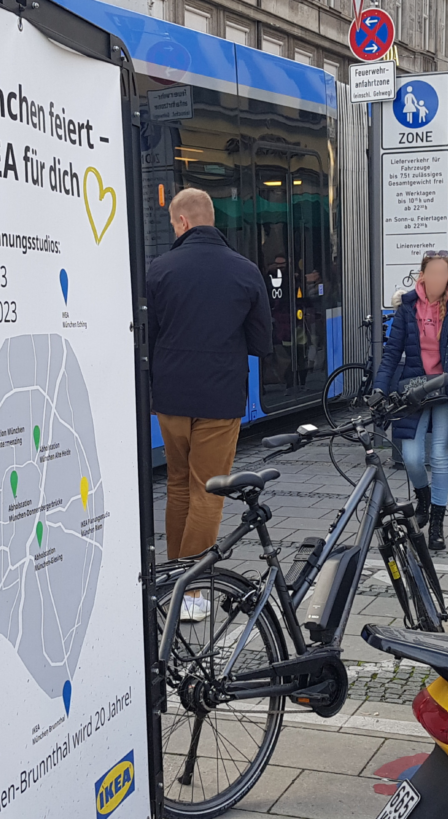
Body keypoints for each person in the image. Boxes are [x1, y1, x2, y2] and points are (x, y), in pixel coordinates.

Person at [147, 188, 272, 619]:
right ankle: (194, 592)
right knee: (208, 492)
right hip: (219, 399)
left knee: (179, 484)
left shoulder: (159, 270)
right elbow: (261, 342)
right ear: (210, 219)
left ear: (182, 222)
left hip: (170, 399)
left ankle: (171, 577)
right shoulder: (245, 270)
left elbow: (151, 337)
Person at [375, 251, 448, 551]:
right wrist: (379, 388)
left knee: (441, 456)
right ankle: (424, 497)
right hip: (414, 388)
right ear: (423, 276)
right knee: (412, 456)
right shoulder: (407, 307)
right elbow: (391, 353)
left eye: (445, 274)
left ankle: (437, 522)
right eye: (434, 274)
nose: (439, 279)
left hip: (445, 389)